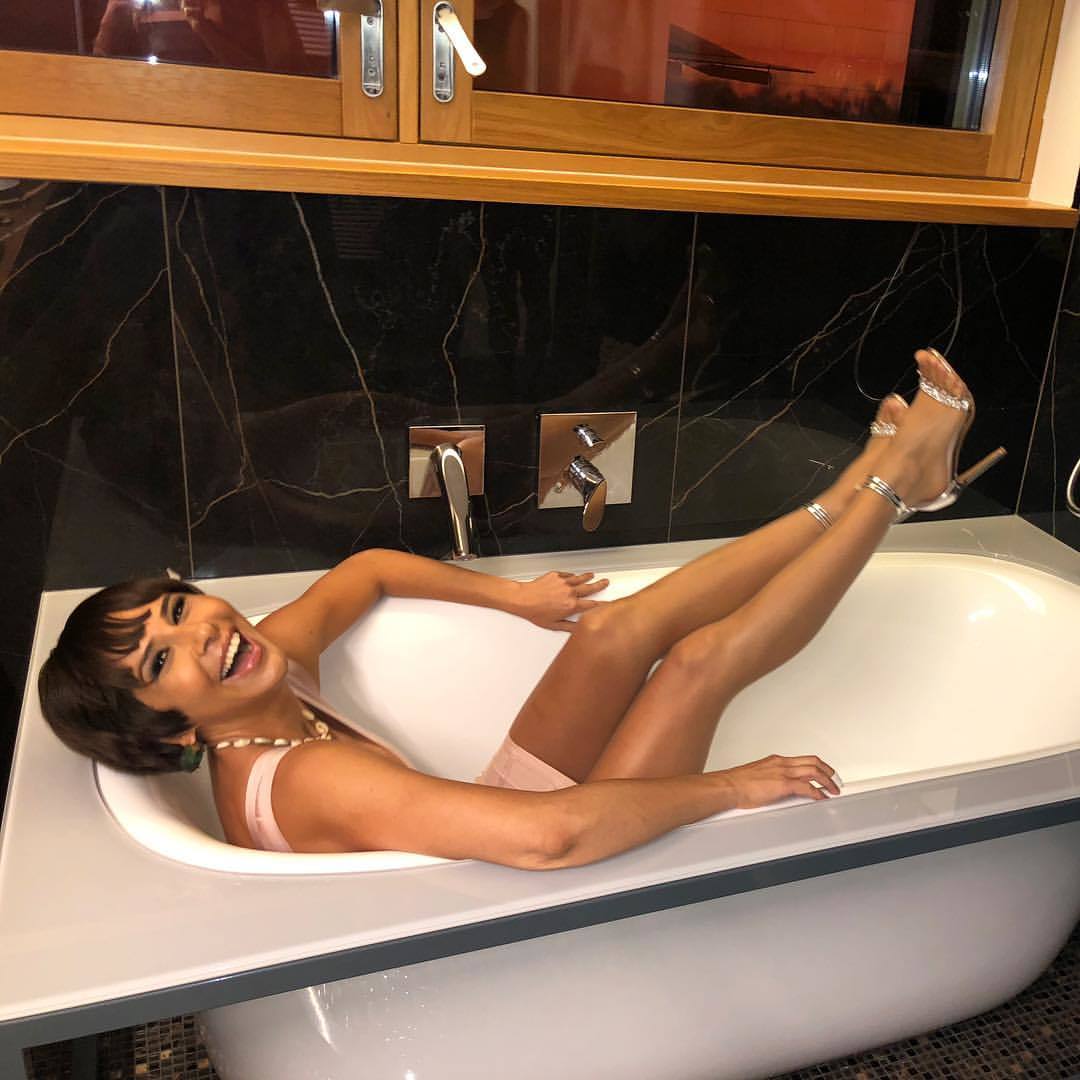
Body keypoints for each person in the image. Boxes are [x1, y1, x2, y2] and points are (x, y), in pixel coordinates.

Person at [39, 349, 1003, 870]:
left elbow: (365, 570)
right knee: (698, 663)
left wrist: (514, 597)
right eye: (160, 662)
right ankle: (898, 489)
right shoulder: (303, 783)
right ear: (172, 735)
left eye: (179, 609)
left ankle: (857, 483)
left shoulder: (261, 668)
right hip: (519, 885)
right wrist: (731, 788)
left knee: (617, 627)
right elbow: (550, 839)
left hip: (499, 820)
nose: (202, 633)